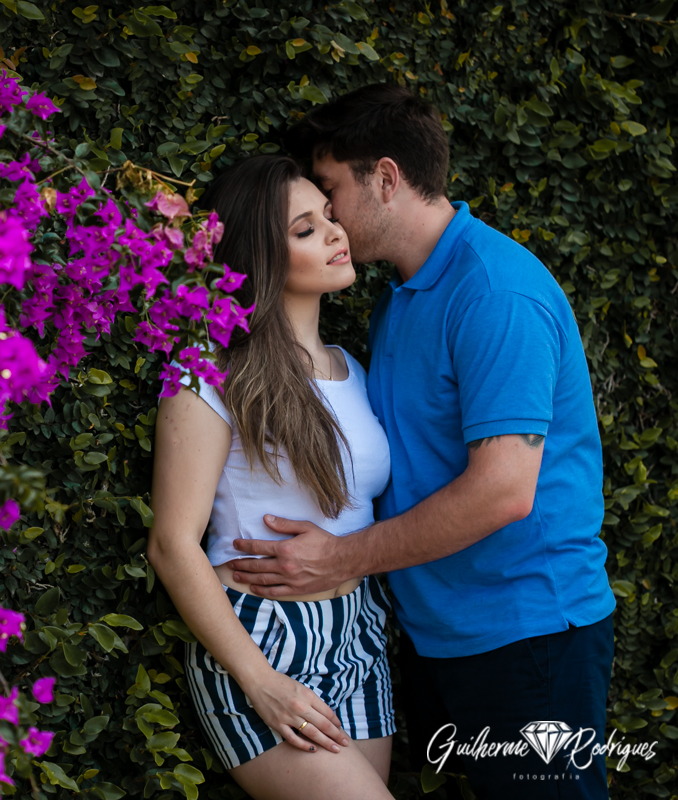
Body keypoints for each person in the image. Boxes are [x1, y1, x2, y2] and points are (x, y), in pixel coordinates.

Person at [225, 84, 616, 799]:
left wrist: (338, 559)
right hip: (441, 635)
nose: (331, 211)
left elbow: (503, 489)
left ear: (385, 178)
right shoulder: (399, 297)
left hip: (527, 635)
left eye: (333, 188)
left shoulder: (495, 293)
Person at [148, 154, 397, 799]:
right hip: (259, 640)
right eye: (305, 229)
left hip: (358, 634)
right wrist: (262, 681)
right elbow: (172, 544)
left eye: (329, 216)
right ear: (261, 255)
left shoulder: (356, 368)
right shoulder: (209, 368)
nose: (336, 232)